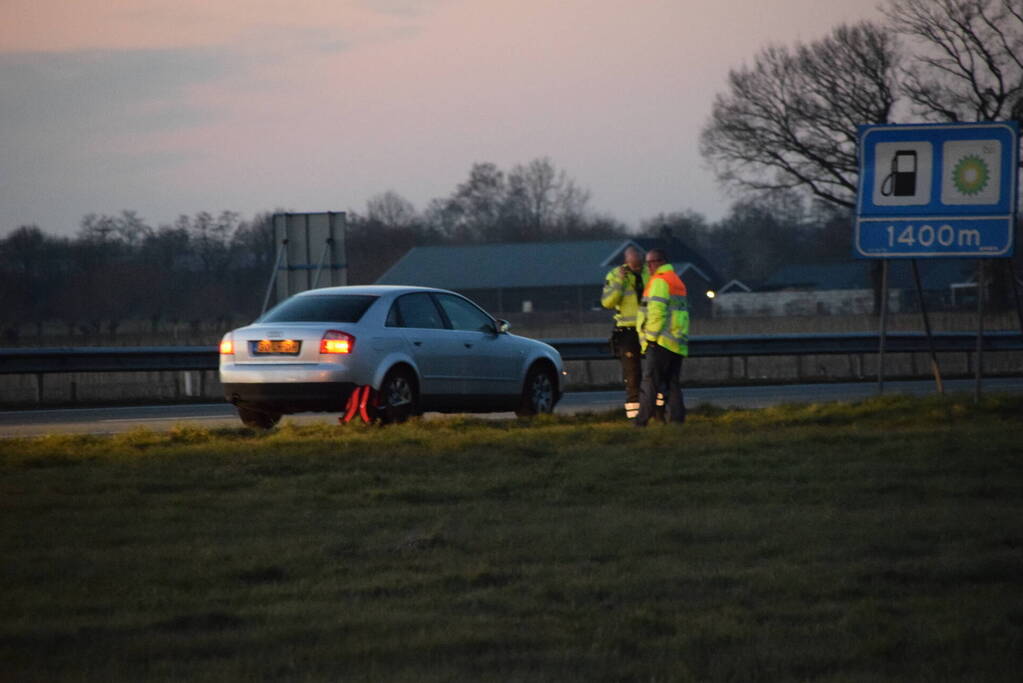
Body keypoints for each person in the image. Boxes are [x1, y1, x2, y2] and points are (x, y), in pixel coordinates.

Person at [634, 248, 689, 426]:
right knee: (673, 383)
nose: (648, 266)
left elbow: (657, 313)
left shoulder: (659, 281)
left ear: (660, 262)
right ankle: (677, 420)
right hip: (676, 341)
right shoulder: (676, 280)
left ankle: (641, 421)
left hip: (660, 341)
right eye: (647, 263)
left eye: (651, 262)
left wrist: (650, 338)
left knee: (650, 382)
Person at [601, 246, 648, 419]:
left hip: (650, 328)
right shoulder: (615, 275)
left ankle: (657, 411)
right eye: (633, 264)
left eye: (638, 264)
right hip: (627, 329)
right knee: (632, 374)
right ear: (626, 261)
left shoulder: (650, 273)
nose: (636, 267)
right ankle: (635, 415)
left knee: (654, 372)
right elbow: (607, 302)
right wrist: (620, 282)